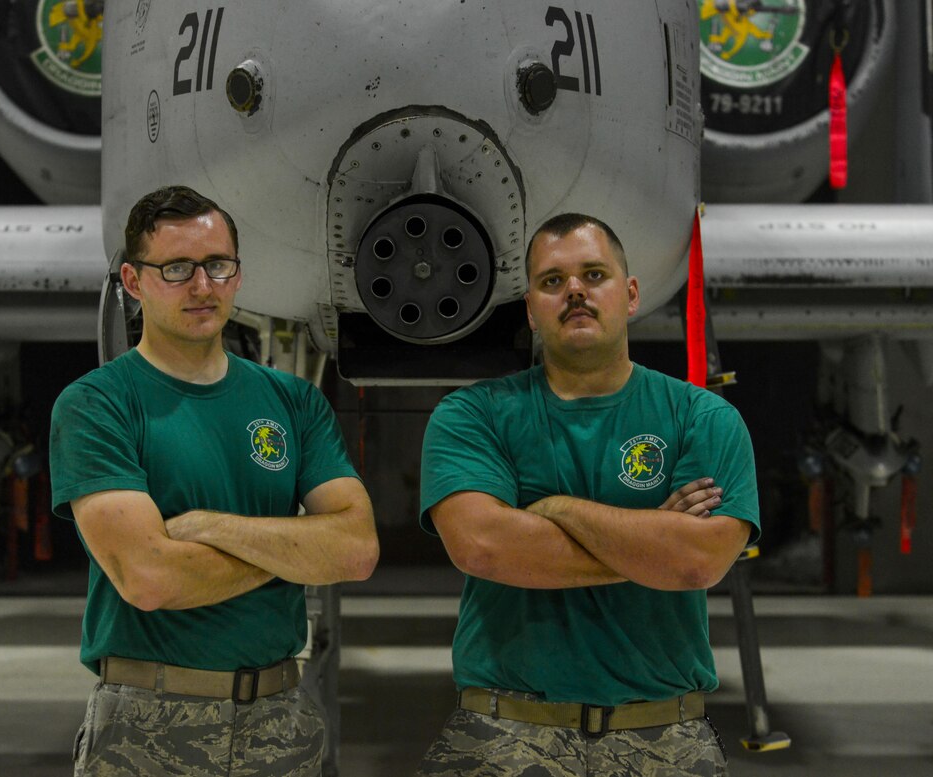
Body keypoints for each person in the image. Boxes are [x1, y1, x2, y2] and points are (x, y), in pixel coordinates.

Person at [49, 185, 379, 776]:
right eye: (176, 269)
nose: (203, 287)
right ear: (132, 280)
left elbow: (355, 551)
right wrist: (298, 551)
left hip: (281, 720)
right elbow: (149, 579)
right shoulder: (98, 405)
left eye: (218, 266)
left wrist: (212, 528)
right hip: (147, 728)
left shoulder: (293, 402)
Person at [417, 213, 759, 776]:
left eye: (593, 274)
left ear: (629, 295)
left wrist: (553, 509)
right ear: (531, 310)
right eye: (552, 282)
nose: (574, 290)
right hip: (505, 731)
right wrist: (652, 541)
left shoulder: (703, 417)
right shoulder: (472, 416)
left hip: (664, 736)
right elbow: (484, 548)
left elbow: (697, 561)